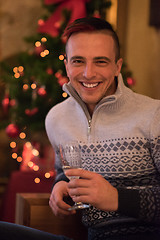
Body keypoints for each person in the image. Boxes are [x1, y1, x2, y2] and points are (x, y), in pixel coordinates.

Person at [0, 17, 160, 240]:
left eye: (101, 62)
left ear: (117, 67)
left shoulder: (154, 115)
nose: (88, 73)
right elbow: (63, 173)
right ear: (66, 65)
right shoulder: (56, 118)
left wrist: (116, 198)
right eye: (78, 61)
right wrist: (60, 187)